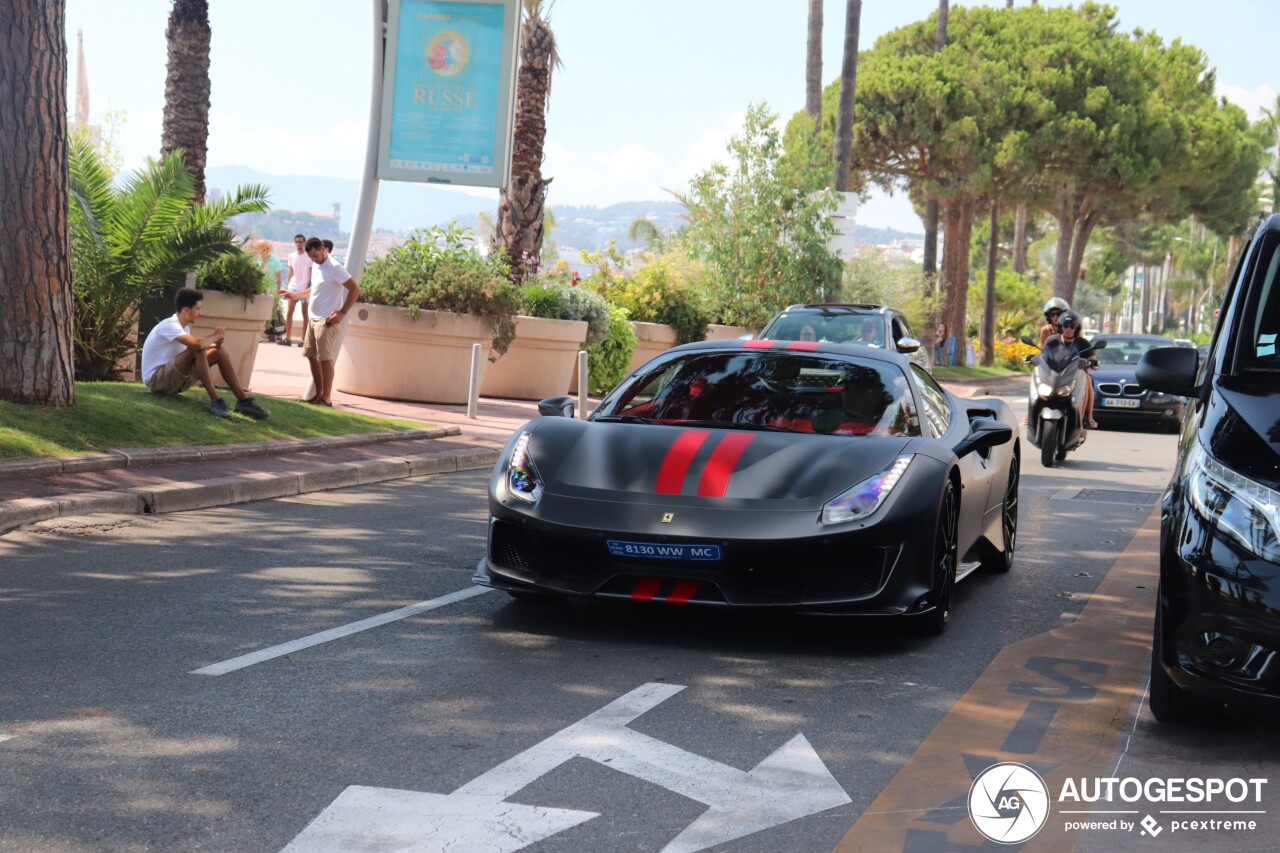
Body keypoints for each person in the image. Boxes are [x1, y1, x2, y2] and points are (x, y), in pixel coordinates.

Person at [139, 287, 271, 419]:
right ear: (186, 310)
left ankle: (244, 402)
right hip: (157, 381)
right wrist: (215, 335)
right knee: (199, 348)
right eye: (197, 309)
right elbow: (197, 345)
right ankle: (215, 400)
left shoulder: (184, 328)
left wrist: (212, 345)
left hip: (174, 379)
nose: (200, 313)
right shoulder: (169, 325)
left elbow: (190, 353)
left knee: (218, 352)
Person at [282, 237, 360, 406]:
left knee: (325, 358)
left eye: (316, 256)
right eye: (311, 258)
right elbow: (315, 289)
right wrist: (294, 294)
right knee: (311, 356)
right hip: (313, 318)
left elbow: (355, 289)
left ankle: (326, 398)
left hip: (327, 320)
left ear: (323, 249)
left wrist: (342, 313)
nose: (314, 260)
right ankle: (318, 394)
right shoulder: (317, 266)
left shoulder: (335, 268)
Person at [1055, 310, 1098, 429]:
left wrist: (1092, 363)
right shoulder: (1053, 341)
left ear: (1077, 328)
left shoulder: (1083, 343)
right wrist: (1034, 358)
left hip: (1077, 376)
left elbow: (1093, 360)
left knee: (1088, 379)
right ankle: (1032, 414)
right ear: (1060, 327)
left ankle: (1088, 418)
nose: (1068, 329)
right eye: (1065, 326)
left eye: (1072, 326)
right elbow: (1044, 355)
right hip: (1055, 375)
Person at [280, 234, 312, 346]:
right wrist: (287, 287)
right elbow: (291, 272)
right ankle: (287, 338)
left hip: (304, 289)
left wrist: (307, 289)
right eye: (297, 242)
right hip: (293, 287)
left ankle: (304, 340)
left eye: (301, 242)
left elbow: (311, 274)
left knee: (305, 314)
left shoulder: (309, 256)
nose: (298, 244)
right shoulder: (291, 256)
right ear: (294, 243)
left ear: (304, 243)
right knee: (289, 312)